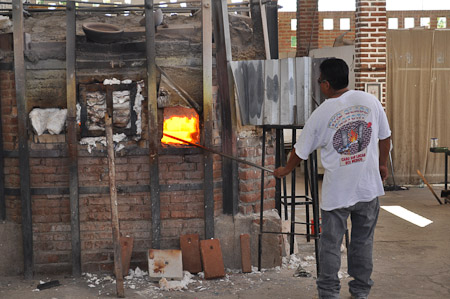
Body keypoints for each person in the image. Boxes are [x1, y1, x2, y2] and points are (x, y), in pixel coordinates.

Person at [274, 58, 391, 299]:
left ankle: (328, 294)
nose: (319, 85)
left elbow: (299, 151)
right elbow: (385, 136)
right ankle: (360, 292)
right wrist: (381, 164)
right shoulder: (370, 101)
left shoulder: (322, 112)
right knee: (362, 242)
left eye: (319, 81)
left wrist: (285, 170)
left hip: (337, 193)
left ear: (326, 84)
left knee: (330, 244)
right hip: (368, 188)